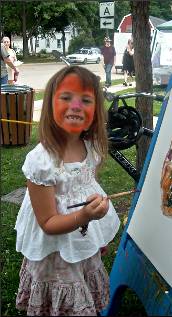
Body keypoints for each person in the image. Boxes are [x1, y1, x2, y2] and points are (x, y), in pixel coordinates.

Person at [15, 66, 120, 316]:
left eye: (86, 100)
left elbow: (84, 188)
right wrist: (84, 217)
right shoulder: (42, 162)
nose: (76, 105)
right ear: (50, 105)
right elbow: (48, 222)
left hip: (79, 238)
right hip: (54, 251)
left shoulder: (90, 148)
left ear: (95, 112)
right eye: (66, 97)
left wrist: (95, 232)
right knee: (61, 301)